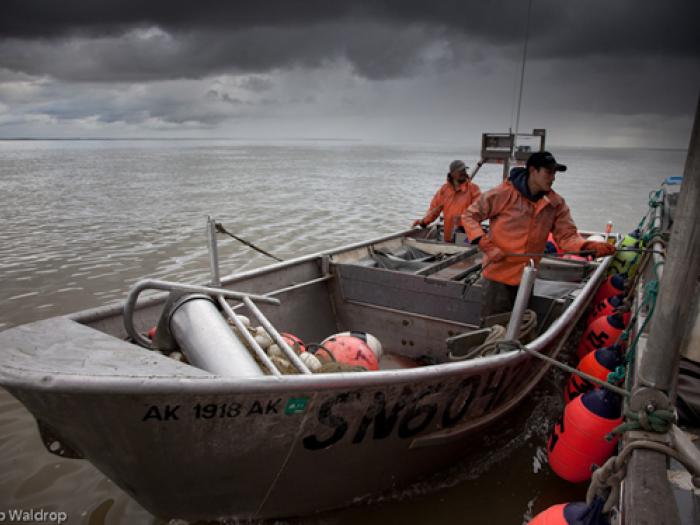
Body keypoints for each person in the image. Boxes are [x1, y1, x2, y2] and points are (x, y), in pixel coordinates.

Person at [461, 151, 616, 319]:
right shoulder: (503, 193)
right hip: (497, 278)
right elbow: (469, 216)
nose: (553, 178)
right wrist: (487, 246)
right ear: (533, 171)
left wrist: (588, 247)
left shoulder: (556, 204)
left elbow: (566, 237)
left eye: (554, 173)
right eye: (549, 172)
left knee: (521, 325)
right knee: (494, 328)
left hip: (527, 278)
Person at [412, 160, 481, 242]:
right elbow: (434, 210)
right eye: (460, 170)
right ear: (452, 174)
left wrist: (463, 219)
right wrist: (423, 222)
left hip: (469, 238)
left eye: (464, 170)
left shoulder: (474, 189)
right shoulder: (444, 190)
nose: (463, 172)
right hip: (449, 238)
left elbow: (480, 211)